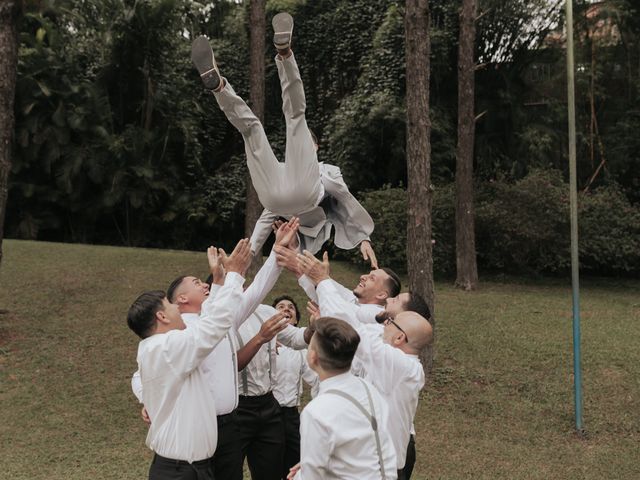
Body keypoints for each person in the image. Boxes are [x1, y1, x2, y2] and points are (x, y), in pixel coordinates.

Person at [190, 12, 378, 267]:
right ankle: (220, 87)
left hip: (292, 196)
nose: (303, 146)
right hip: (277, 198)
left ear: (316, 147)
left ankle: (285, 54)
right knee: (253, 129)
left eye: (309, 143)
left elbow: (342, 198)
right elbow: (268, 220)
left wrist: (363, 239)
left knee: (293, 120)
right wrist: (249, 254)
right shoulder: (294, 171)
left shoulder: (323, 169)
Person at [131, 220, 299, 480]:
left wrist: (277, 250)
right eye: (197, 282)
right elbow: (140, 376)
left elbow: (256, 291)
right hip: (196, 429)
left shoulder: (216, 315)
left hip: (231, 424)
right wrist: (151, 401)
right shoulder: (177, 334)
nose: (206, 284)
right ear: (180, 300)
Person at [298, 251, 434, 480]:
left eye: (391, 322)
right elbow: (351, 312)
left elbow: (353, 325)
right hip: (370, 461)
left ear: (400, 338)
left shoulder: (400, 364)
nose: (385, 323)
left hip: (384, 469)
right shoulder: (394, 358)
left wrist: (322, 281)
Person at [126, 239, 252, 480]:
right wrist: (234, 276)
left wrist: (152, 401)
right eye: (170, 305)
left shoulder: (161, 347)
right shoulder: (167, 347)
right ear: (162, 316)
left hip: (191, 468)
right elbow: (212, 326)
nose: (176, 308)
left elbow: (207, 320)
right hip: (179, 471)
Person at [287, 317, 397, 479]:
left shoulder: (316, 412)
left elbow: (312, 476)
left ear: (312, 357)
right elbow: (378, 447)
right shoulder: (368, 389)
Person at [274, 244, 401, 325]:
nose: (363, 277)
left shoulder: (375, 318)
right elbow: (324, 288)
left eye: (371, 278)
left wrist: (322, 278)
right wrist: (294, 254)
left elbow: (340, 310)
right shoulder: (352, 299)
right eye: (367, 274)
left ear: (381, 294)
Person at [272, 295, 319, 479]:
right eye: (280, 306)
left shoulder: (301, 350)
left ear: (296, 319)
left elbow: (316, 378)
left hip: (291, 415)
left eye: (291, 307)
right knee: (270, 467)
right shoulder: (260, 343)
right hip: (268, 414)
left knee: (294, 467)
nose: (286, 309)